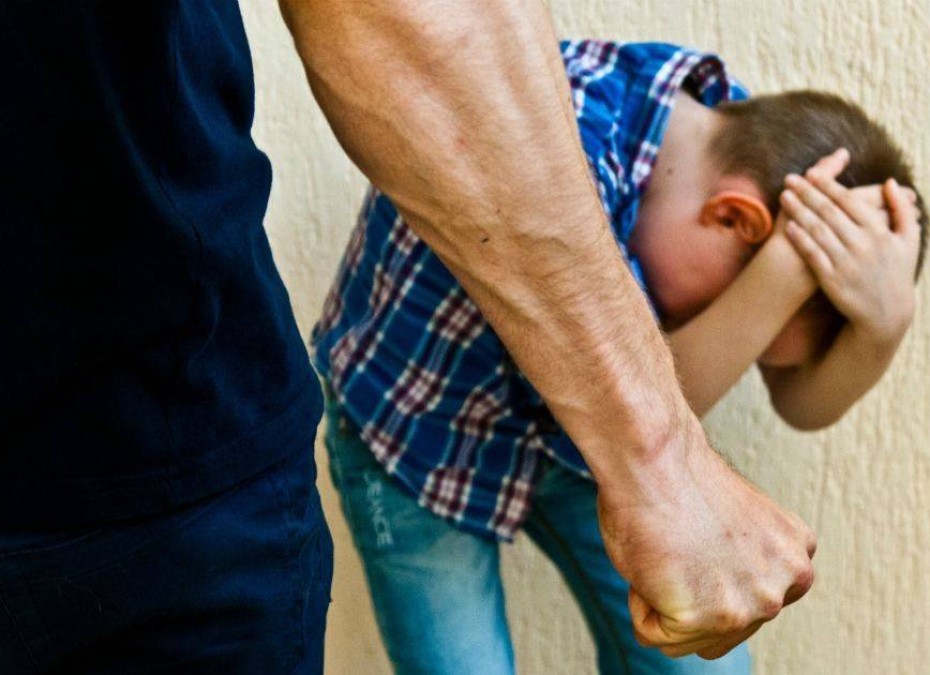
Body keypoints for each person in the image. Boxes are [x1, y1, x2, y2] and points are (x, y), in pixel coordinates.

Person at [0, 1, 821, 671]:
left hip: (170, 426)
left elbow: (803, 388)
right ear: (739, 217)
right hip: (406, 453)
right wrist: (665, 456)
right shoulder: (587, 136)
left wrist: (875, 312)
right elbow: (415, 19)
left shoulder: (729, 130)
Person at [314, 39, 926, 674]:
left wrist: (884, 326)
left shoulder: (751, 153)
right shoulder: (563, 149)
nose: (738, 333)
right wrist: (779, 275)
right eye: (746, 314)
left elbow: (798, 404)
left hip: (591, 448)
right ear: (734, 217)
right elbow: (638, 402)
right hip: (413, 437)